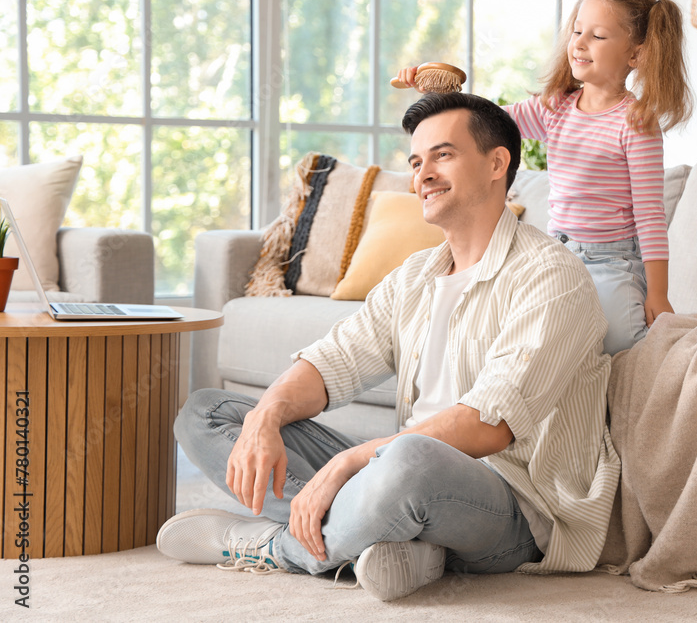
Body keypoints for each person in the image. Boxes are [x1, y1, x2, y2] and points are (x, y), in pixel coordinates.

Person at [156, 92, 621, 602]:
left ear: (497, 162)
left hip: (513, 504)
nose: (422, 174)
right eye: (416, 161)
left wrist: (346, 464)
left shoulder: (552, 275)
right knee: (207, 412)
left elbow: (489, 426)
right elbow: (331, 361)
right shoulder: (415, 276)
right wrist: (265, 419)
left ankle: (272, 545)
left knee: (409, 461)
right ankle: (397, 544)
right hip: (396, 477)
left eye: (443, 155)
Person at [398, 0, 692, 355]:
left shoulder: (636, 123)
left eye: (598, 35)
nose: (580, 43)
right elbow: (487, 122)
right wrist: (436, 93)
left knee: (622, 347)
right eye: (577, 30)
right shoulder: (556, 108)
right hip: (554, 254)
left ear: (636, 54)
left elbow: (650, 214)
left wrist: (658, 293)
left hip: (611, 262)